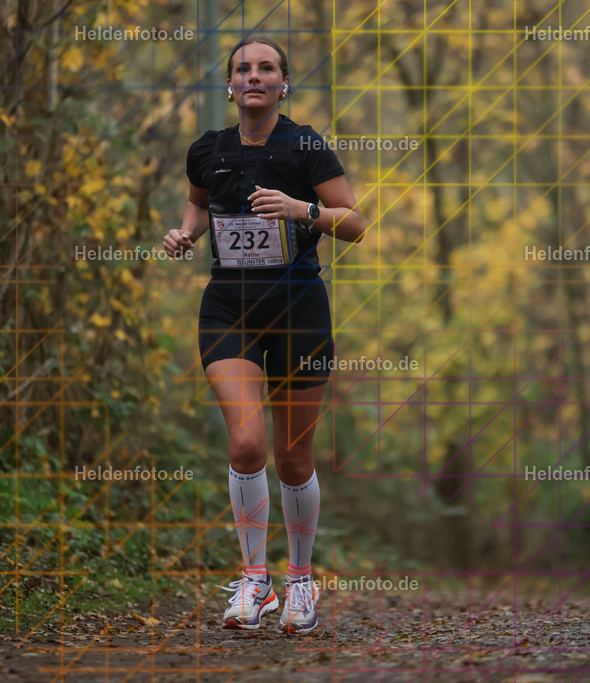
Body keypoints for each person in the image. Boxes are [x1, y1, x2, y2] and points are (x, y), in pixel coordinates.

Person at [163, 34, 364, 634]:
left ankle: (300, 582)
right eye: (243, 69)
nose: (254, 76)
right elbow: (200, 206)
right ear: (230, 84)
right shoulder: (208, 148)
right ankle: (256, 583)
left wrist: (302, 210)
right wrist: (185, 234)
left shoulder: (306, 146)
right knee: (246, 444)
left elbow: (353, 223)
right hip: (229, 308)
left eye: (267, 68)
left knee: (293, 456)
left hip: (299, 308)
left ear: (283, 83)